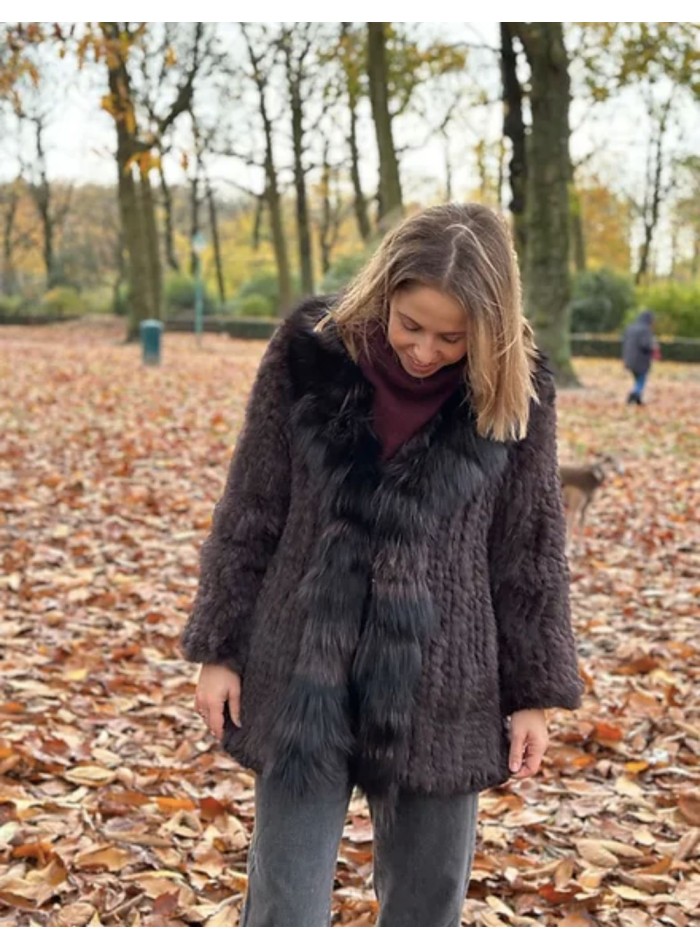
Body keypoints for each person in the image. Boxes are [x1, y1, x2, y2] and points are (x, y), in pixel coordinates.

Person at [179, 202, 584, 927]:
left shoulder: (518, 390)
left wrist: (533, 693)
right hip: (302, 665)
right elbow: (252, 502)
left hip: (444, 678)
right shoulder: (310, 352)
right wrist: (218, 646)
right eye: (411, 326)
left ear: (489, 330)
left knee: (427, 910)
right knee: (285, 907)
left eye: (453, 337)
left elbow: (529, 549)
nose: (426, 351)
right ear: (385, 290)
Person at [622, 309, 658, 405]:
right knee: (641, 379)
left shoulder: (630, 328)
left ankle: (637, 398)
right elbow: (645, 344)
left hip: (629, 359)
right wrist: (653, 347)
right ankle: (634, 394)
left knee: (638, 378)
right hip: (640, 360)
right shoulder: (645, 330)